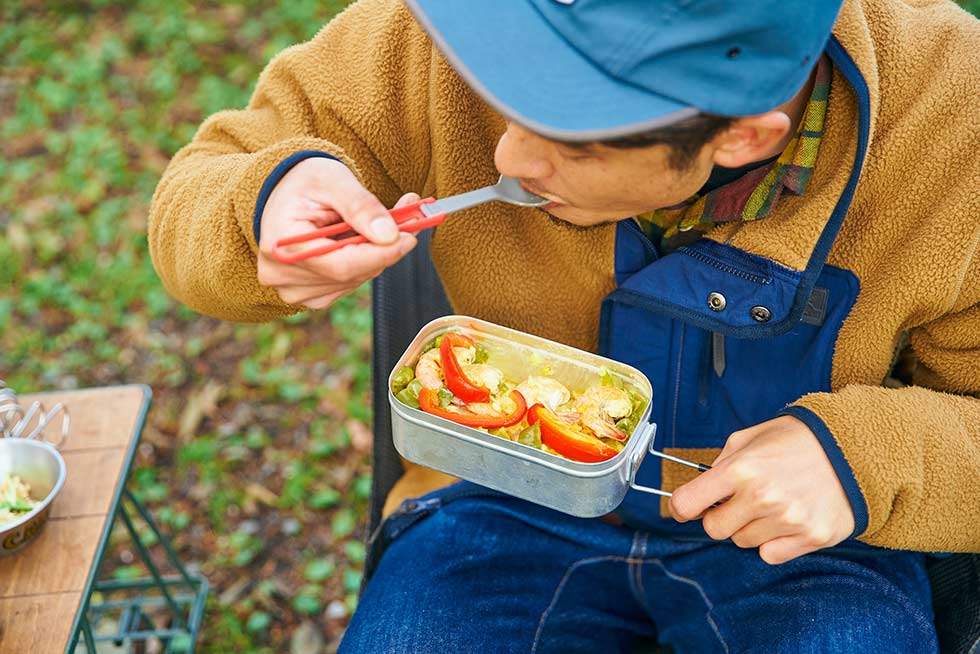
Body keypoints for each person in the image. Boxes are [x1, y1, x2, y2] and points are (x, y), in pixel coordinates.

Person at [148, 0, 980, 651]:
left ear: (740, 136)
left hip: (806, 546)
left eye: (570, 142)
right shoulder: (453, 33)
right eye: (504, 104)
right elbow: (206, 180)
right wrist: (262, 205)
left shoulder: (952, 114)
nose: (507, 159)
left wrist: (866, 460)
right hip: (495, 497)